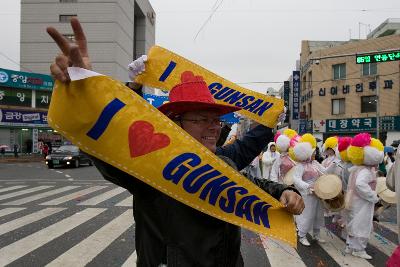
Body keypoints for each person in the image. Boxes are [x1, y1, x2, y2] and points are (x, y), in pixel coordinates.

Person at [47, 18, 304, 267]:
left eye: (217, 120)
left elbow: (252, 182)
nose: (214, 126)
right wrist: (85, 93)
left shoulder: (223, 163)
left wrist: (284, 192)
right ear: (176, 123)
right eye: (203, 118)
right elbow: (108, 144)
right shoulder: (150, 170)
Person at [345, 133, 383, 260]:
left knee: (354, 223)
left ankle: (351, 246)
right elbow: (360, 184)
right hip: (362, 202)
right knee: (362, 225)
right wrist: (373, 196)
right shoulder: (365, 171)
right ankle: (359, 249)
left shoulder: (358, 168)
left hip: (355, 200)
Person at [291, 133, 329, 246]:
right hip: (308, 195)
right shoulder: (300, 166)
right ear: (306, 153)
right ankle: (302, 235)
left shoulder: (315, 163)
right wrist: (308, 187)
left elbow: (325, 171)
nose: (315, 154)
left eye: (315, 152)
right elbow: (296, 180)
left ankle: (316, 234)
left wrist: (335, 164)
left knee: (318, 214)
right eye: (313, 153)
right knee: (307, 214)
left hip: (318, 193)